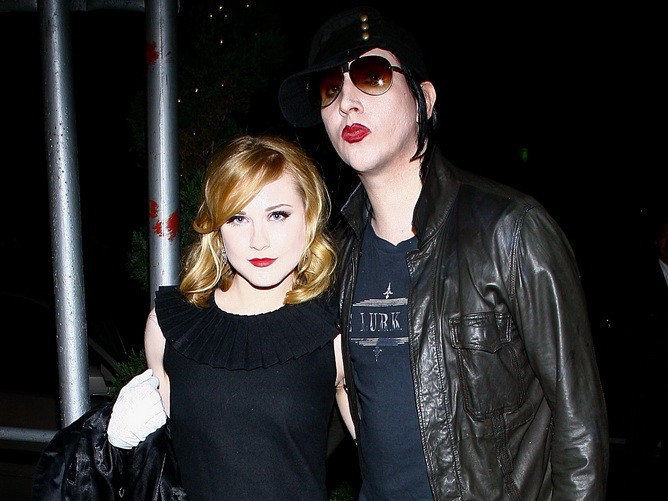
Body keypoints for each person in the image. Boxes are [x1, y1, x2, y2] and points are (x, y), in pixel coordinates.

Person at [278, 5, 609, 500]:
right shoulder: (332, 256)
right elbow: (300, 414)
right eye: (329, 88)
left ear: (424, 99)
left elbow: (579, 426)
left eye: (371, 76)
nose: (346, 102)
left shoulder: (510, 230)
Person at [106, 134, 354, 500]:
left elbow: (393, 462)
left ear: (309, 216)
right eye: (238, 218)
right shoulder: (170, 328)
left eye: (277, 215)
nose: (258, 240)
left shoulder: (335, 328)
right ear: (217, 229)